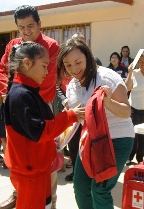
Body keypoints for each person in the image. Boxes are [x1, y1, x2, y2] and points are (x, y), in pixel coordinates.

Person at [4, 42, 85, 209]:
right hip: (30, 173)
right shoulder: (21, 95)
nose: (47, 71)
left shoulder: (27, 90)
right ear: (27, 63)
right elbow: (40, 131)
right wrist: (70, 116)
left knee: (45, 204)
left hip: (38, 169)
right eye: (43, 66)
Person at [0, 5, 61, 209]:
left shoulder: (50, 46)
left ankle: (50, 200)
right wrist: (8, 94)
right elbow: (1, 70)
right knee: (18, 157)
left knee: (46, 158)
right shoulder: (13, 45)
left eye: (30, 26)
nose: (26, 31)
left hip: (41, 105)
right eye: (21, 27)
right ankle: (18, 192)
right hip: (17, 104)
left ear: (40, 24)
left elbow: (47, 79)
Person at [57, 38, 134, 209]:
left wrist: (108, 103)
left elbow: (126, 111)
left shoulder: (107, 77)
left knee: (100, 190)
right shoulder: (72, 85)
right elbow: (74, 114)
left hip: (117, 138)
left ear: (88, 57)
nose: (74, 69)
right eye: (68, 65)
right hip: (90, 141)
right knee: (80, 187)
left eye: (78, 62)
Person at [63, 32, 102, 182]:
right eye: (75, 40)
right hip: (74, 117)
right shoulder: (68, 66)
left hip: (91, 119)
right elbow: (60, 85)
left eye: (80, 41)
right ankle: (76, 171)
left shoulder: (95, 62)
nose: (74, 67)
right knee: (74, 148)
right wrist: (65, 102)